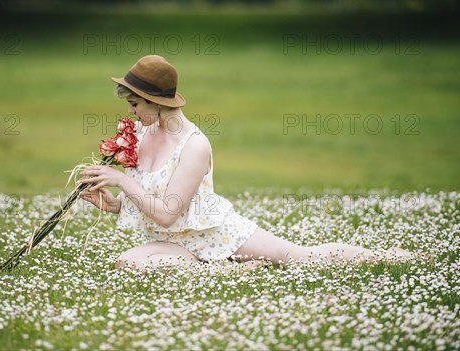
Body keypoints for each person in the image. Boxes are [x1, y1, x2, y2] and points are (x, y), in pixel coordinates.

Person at [79, 55, 413, 271]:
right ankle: (225, 270)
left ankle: (388, 257)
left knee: (299, 258)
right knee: (127, 263)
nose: (130, 111)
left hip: (215, 234)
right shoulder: (141, 131)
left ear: (155, 102)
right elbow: (148, 192)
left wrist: (122, 180)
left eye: (135, 103)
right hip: (175, 245)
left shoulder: (193, 146)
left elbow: (167, 213)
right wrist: (113, 205)